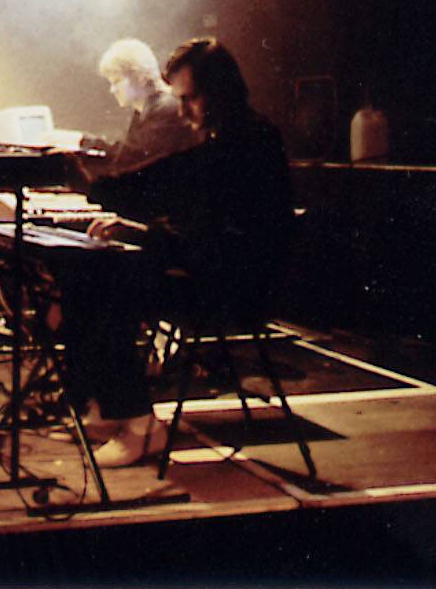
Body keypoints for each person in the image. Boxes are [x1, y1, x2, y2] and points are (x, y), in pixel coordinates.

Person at [57, 37, 295, 467]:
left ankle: (139, 424)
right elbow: (190, 221)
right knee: (93, 273)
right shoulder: (233, 138)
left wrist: (90, 186)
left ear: (220, 91)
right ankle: (107, 407)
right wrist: (133, 227)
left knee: (110, 284)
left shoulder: (247, 143)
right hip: (209, 271)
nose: (182, 111)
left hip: (234, 289)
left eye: (190, 99)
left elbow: (169, 191)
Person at [95, 38, 199, 173]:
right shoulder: (148, 109)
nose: (112, 90)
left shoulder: (167, 110)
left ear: (142, 77)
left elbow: (129, 165)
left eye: (117, 81)